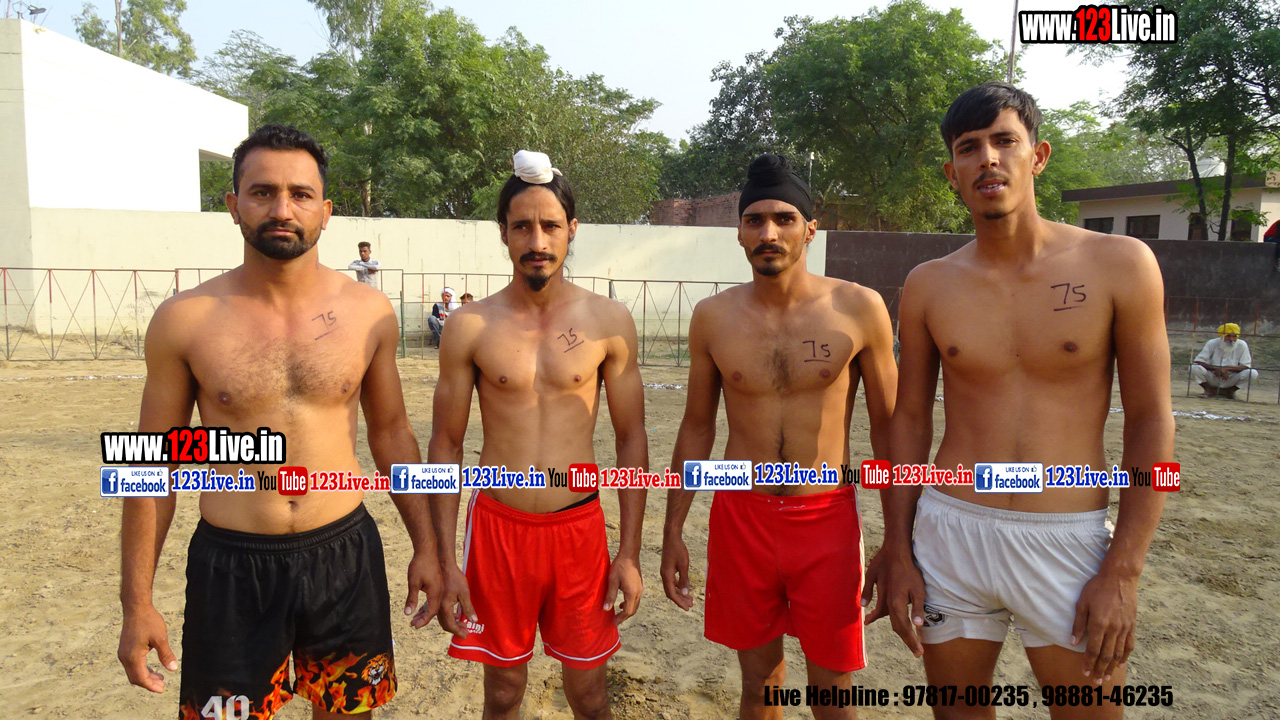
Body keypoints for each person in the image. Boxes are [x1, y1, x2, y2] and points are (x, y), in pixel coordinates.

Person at [865, 83, 1174, 720]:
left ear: (1038, 156)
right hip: (950, 532)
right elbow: (910, 421)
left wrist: (1124, 570)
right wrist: (898, 545)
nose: (988, 159)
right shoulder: (929, 284)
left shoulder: (1119, 264)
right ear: (952, 173)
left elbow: (1150, 420)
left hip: (1065, 537)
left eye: (1005, 141)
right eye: (969, 148)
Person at [118, 124, 442, 719]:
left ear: (326, 211)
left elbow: (392, 433)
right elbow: (150, 466)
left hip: (343, 553)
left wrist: (428, 546)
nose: (282, 209)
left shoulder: (368, 311)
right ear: (233, 204)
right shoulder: (185, 320)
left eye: (300, 194)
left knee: (348, 713)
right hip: (232, 563)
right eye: (263, 192)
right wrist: (135, 602)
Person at [660, 154, 898, 720]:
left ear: (810, 228)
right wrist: (672, 529)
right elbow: (697, 426)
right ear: (740, 232)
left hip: (826, 520)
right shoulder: (713, 316)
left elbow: (890, 427)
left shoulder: (858, 307)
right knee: (758, 684)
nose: (769, 233)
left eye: (784, 218)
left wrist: (898, 538)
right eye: (755, 220)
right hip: (742, 517)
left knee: (832, 691)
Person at [428, 150, 648, 720]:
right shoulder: (470, 325)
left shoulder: (608, 320)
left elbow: (632, 439)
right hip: (498, 530)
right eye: (522, 226)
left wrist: (628, 553)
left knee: (590, 695)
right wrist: (447, 559)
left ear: (572, 229)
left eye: (550, 225)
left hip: (579, 530)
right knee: (502, 693)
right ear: (503, 232)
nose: (537, 240)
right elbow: (446, 445)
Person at [1191, 323, 1258, 399]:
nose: (1231, 340)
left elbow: (1246, 366)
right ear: (1222, 336)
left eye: (1234, 336)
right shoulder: (1212, 343)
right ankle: (1209, 390)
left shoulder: (1242, 345)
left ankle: (1230, 391)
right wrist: (1216, 368)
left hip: (1231, 378)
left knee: (1252, 373)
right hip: (1213, 376)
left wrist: (1226, 369)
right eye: (1228, 336)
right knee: (1194, 367)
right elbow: (1198, 361)